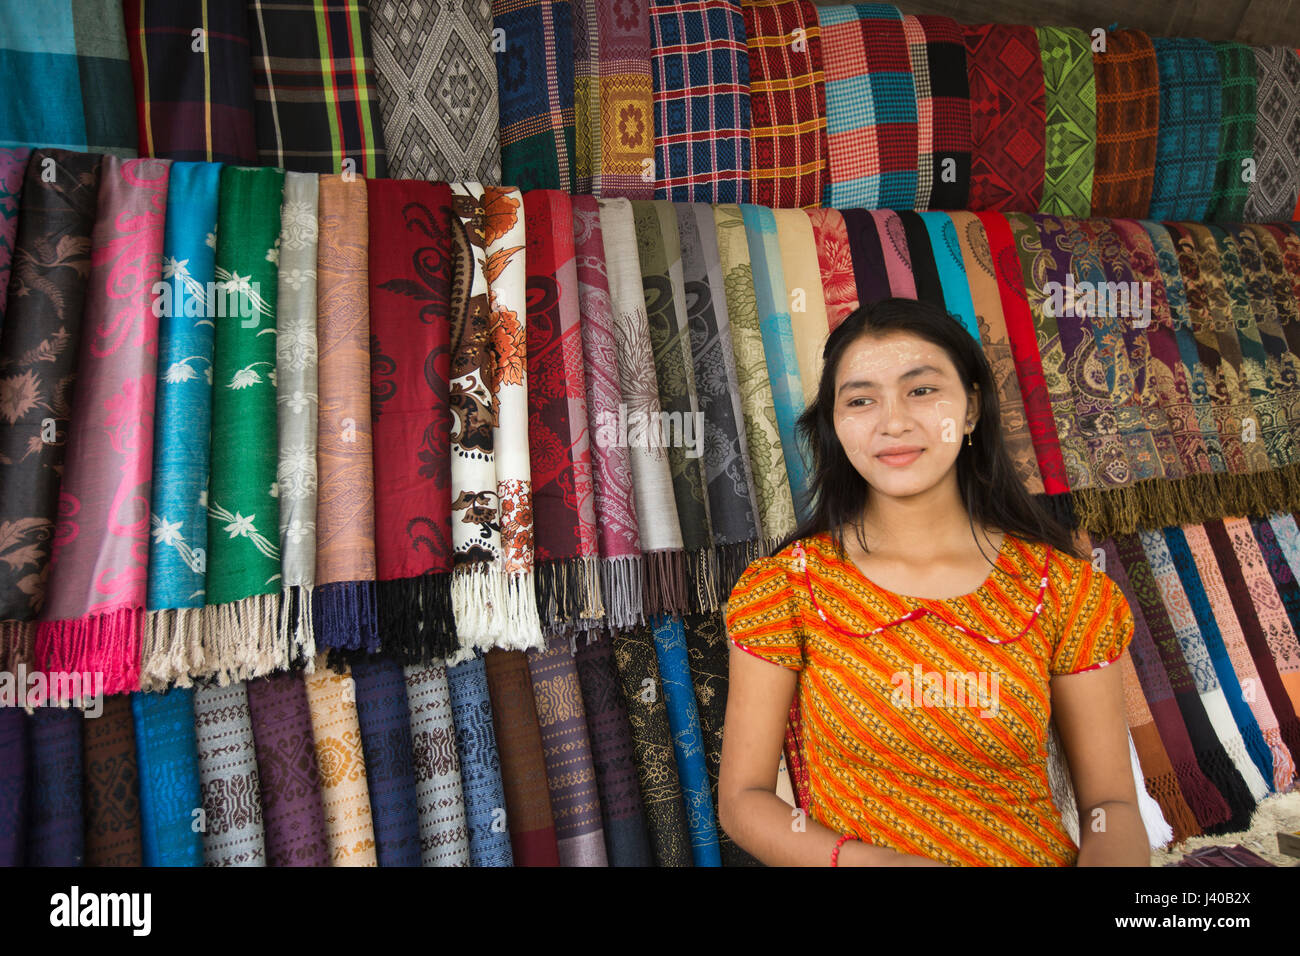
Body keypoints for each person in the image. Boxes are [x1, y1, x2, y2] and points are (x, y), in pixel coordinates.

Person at [717, 298, 1149, 867]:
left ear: (971, 408)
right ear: (836, 424)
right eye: (861, 400)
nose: (892, 422)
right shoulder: (788, 587)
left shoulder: (1064, 589)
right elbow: (744, 800)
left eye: (921, 390)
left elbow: (1110, 803)